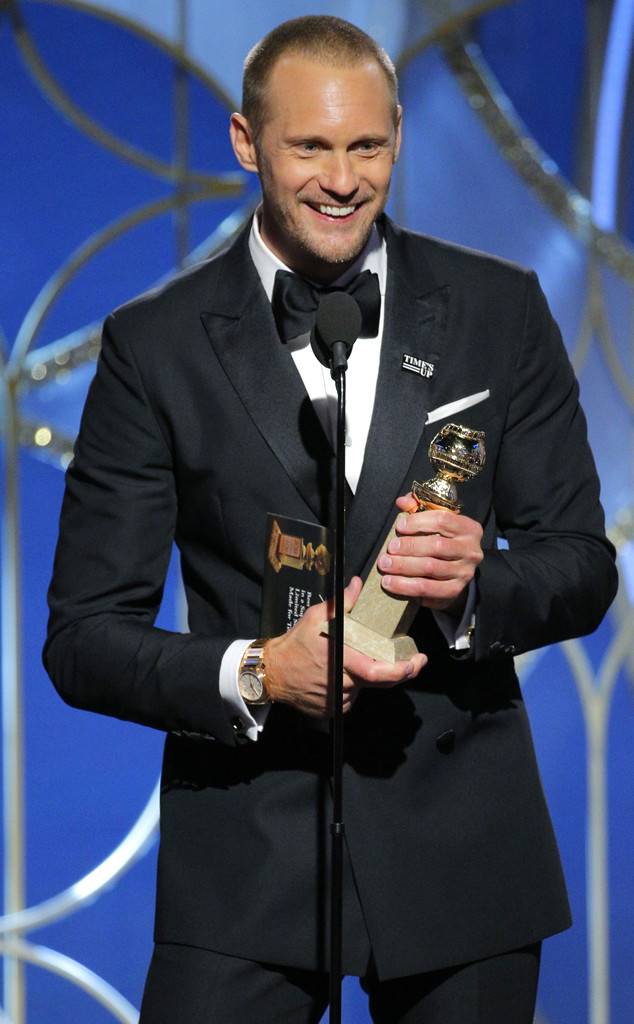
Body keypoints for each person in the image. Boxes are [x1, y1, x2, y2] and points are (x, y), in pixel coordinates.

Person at [44, 15, 617, 1024]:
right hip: (244, 854)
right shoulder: (154, 346)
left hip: (462, 851)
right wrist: (260, 671)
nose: (343, 180)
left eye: (368, 146)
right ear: (246, 141)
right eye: (310, 146)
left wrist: (472, 589)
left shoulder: (498, 309)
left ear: (397, 137)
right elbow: (84, 638)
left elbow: (581, 565)